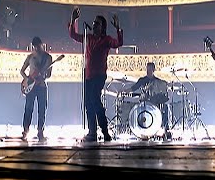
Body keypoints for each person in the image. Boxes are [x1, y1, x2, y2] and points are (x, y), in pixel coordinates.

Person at [69, 7, 123, 142]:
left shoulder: (107, 40)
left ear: (102, 27)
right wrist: (74, 20)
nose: (93, 25)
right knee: (89, 103)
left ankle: (104, 131)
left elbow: (118, 43)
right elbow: (74, 35)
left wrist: (118, 29)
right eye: (93, 23)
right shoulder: (89, 37)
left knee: (95, 101)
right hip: (88, 74)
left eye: (96, 23)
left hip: (99, 75)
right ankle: (92, 132)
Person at [123, 62, 172, 140]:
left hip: (154, 103)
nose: (148, 70)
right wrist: (124, 91)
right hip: (144, 103)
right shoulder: (142, 80)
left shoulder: (157, 81)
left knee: (165, 107)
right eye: (147, 69)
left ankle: (166, 129)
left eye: (150, 69)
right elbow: (134, 88)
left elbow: (162, 91)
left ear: (153, 70)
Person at [20, 36, 53, 141]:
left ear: (41, 45)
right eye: (35, 47)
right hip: (31, 86)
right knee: (28, 108)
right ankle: (25, 130)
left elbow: (49, 74)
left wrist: (44, 76)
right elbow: (22, 71)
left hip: (42, 86)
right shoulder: (30, 57)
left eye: (38, 46)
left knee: (42, 109)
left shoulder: (48, 58)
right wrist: (27, 79)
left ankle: (40, 131)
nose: (37, 49)